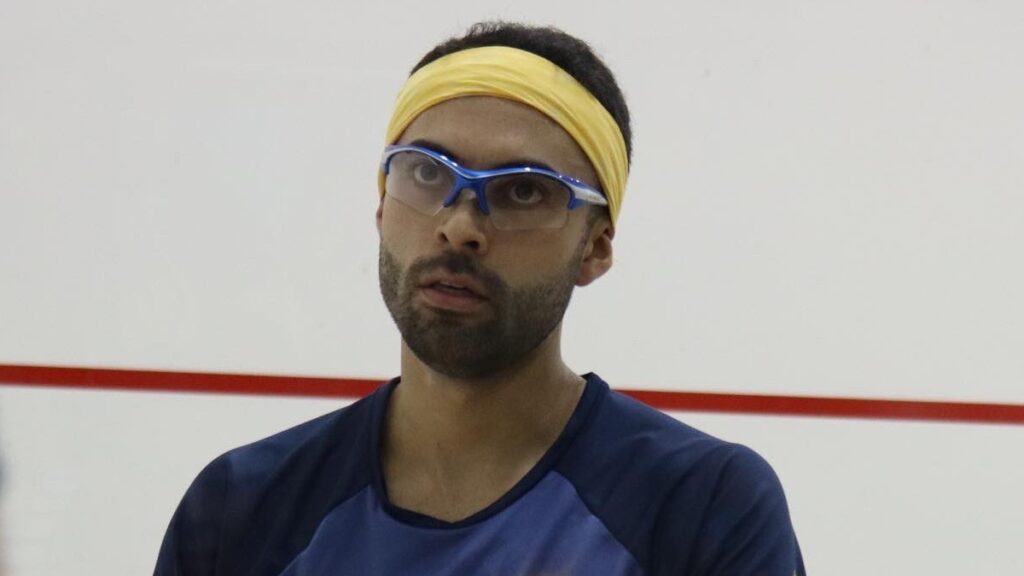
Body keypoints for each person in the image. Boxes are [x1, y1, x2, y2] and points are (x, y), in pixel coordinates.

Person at [155, 21, 805, 576]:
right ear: (382, 205)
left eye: (523, 191)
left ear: (596, 247)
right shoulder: (241, 508)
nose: (459, 225)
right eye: (427, 172)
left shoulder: (703, 507)